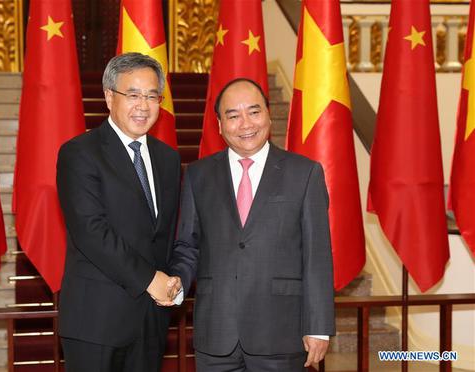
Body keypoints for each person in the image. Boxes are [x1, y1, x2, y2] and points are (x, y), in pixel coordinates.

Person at [168, 78, 336, 371]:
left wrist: (319, 326)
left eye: (254, 112)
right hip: (216, 334)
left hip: (280, 333)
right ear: (219, 125)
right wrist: (176, 282)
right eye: (233, 115)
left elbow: (316, 254)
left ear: (269, 115)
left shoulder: (304, 173)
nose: (245, 123)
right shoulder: (198, 175)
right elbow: (188, 245)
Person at [56, 52, 181, 372]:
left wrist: (175, 278)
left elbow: (168, 234)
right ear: (109, 96)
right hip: (96, 321)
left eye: (153, 95)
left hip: (151, 321)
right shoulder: (80, 153)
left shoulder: (168, 159)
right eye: (134, 94)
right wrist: (150, 279)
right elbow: (91, 231)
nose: (144, 105)